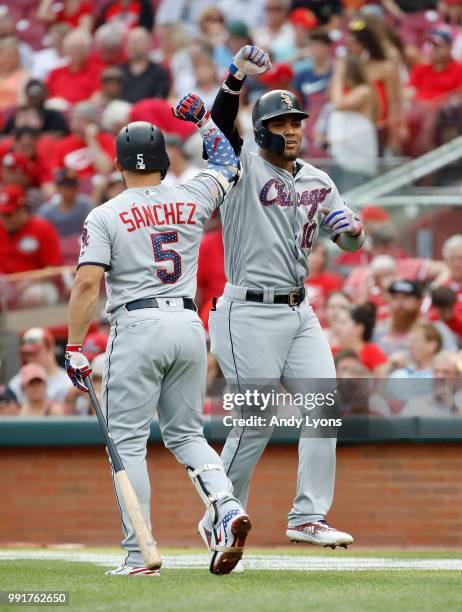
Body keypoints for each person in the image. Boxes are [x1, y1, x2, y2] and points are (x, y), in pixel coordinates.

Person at [64, 94, 251, 576]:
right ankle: (225, 504)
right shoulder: (192, 194)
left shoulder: (105, 214)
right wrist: (206, 120)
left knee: (126, 442)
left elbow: (87, 283)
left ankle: (138, 553)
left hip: (138, 323)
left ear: (119, 163)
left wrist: (72, 345)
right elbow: (229, 160)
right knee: (187, 434)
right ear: (166, 160)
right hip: (189, 324)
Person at [197, 45, 362, 561]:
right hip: (246, 309)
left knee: (323, 406)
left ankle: (308, 516)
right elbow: (222, 125)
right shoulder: (242, 164)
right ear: (263, 129)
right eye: (282, 122)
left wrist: (352, 232)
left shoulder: (319, 179)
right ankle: (223, 515)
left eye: (297, 122)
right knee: (256, 418)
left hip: (297, 309)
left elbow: (350, 239)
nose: (292, 130)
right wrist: (235, 78)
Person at [0, 185, 62, 275]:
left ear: (22, 210)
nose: (4, 219)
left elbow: (52, 267)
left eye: (8, 214)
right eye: (2, 214)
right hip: (4, 284)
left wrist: (29, 282)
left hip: (37, 284)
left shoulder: (42, 228)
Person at [38, 168, 93, 265]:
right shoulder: (47, 211)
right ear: (58, 188)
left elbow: (93, 232)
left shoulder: (85, 205)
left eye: (73, 187)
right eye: (67, 187)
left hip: (83, 251)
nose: (71, 190)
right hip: (58, 255)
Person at [9, 327, 73, 406]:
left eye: (35, 353)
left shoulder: (67, 382)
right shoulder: (17, 382)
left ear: (51, 349)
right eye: (27, 354)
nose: (30, 358)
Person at [46, 28, 103, 106]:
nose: (76, 52)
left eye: (80, 48)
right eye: (72, 48)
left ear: (88, 50)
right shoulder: (56, 72)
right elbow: (46, 94)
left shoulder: (97, 72)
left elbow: (97, 97)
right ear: (66, 50)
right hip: (57, 111)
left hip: (83, 111)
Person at [330, 303, 389, 375]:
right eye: (336, 321)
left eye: (343, 322)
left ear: (358, 328)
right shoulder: (331, 352)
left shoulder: (372, 351)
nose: (336, 326)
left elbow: (383, 379)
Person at [120, 27, 170, 103]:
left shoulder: (159, 72)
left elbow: (160, 98)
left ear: (149, 44)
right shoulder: (119, 71)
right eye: (129, 42)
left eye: (137, 42)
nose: (132, 45)